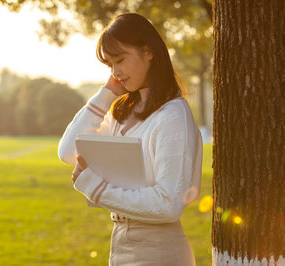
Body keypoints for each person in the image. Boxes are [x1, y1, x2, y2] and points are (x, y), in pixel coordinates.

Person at [58, 12, 202, 266]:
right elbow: (68, 152)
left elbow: (168, 205)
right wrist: (107, 94)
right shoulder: (121, 113)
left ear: (148, 52)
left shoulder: (173, 115)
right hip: (122, 242)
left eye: (121, 60)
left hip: (159, 251)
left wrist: (96, 187)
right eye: (109, 65)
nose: (115, 71)